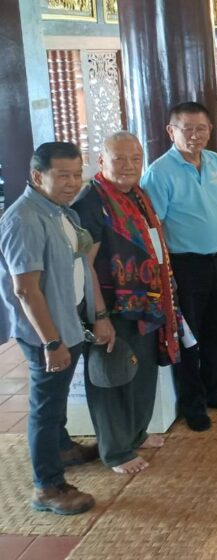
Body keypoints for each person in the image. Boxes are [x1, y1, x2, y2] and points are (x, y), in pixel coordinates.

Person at [0, 142, 108, 515]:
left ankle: (62, 449)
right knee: (45, 408)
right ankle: (47, 486)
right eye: (62, 175)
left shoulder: (60, 211)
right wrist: (51, 342)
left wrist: (94, 313)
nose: (72, 183)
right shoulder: (23, 219)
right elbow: (25, 290)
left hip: (67, 321)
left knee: (56, 400)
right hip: (46, 332)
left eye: (77, 174)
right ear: (37, 176)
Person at [72, 133, 183, 475]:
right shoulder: (91, 200)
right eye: (119, 159)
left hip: (146, 304)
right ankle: (116, 451)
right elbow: (85, 265)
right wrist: (99, 316)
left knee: (142, 373)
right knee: (113, 377)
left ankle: (135, 433)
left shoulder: (137, 194)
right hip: (112, 308)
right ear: (101, 161)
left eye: (135, 159)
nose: (128, 166)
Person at [141, 102, 217, 431]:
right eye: (188, 129)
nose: (195, 136)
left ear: (211, 130)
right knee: (189, 337)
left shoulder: (216, 161)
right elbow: (154, 228)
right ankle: (192, 404)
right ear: (172, 131)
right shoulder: (158, 173)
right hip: (185, 265)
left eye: (202, 129)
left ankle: (215, 391)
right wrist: (164, 274)